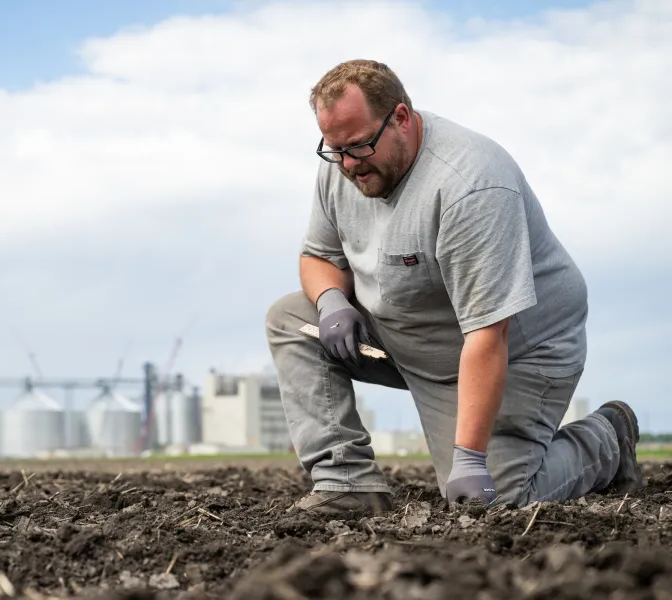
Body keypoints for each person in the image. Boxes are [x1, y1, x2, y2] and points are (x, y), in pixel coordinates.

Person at [265, 59, 643, 514]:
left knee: (493, 498)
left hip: (517, 350)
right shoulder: (345, 163)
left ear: (401, 118)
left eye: (360, 147)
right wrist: (330, 302)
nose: (347, 164)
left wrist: (469, 458)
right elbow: (318, 256)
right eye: (334, 149)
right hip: (408, 338)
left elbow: (488, 334)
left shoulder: (471, 186)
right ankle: (347, 482)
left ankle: (607, 438)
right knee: (291, 317)